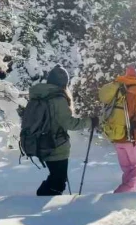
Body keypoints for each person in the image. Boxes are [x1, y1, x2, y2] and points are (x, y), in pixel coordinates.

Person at [30, 65, 96, 196]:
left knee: (56, 179)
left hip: (42, 142)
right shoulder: (57, 98)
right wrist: (90, 121)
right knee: (58, 183)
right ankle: (38, 205)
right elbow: (69, 123)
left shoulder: (40, 95)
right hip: (55, 145)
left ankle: (40, 203)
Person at [112, 62, 136, 194]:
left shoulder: (117, 87)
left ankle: (124, 197)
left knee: (129, 170)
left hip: (117, 137)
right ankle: (120, 197)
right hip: (133, 137)